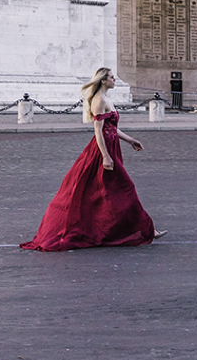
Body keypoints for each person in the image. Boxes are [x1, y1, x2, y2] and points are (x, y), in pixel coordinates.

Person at [21, 68, 164, 251]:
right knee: (125, 188)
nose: (115, 80)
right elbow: (98, 131)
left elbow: (111, 128)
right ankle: (145, 229)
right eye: (112, 77)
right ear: (103, 81)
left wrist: (130, 140)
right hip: (101, 151)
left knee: (106, 192)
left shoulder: (106, 99)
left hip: (111, 147)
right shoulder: (98, 100)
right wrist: (105, 156)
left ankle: (133, 228)